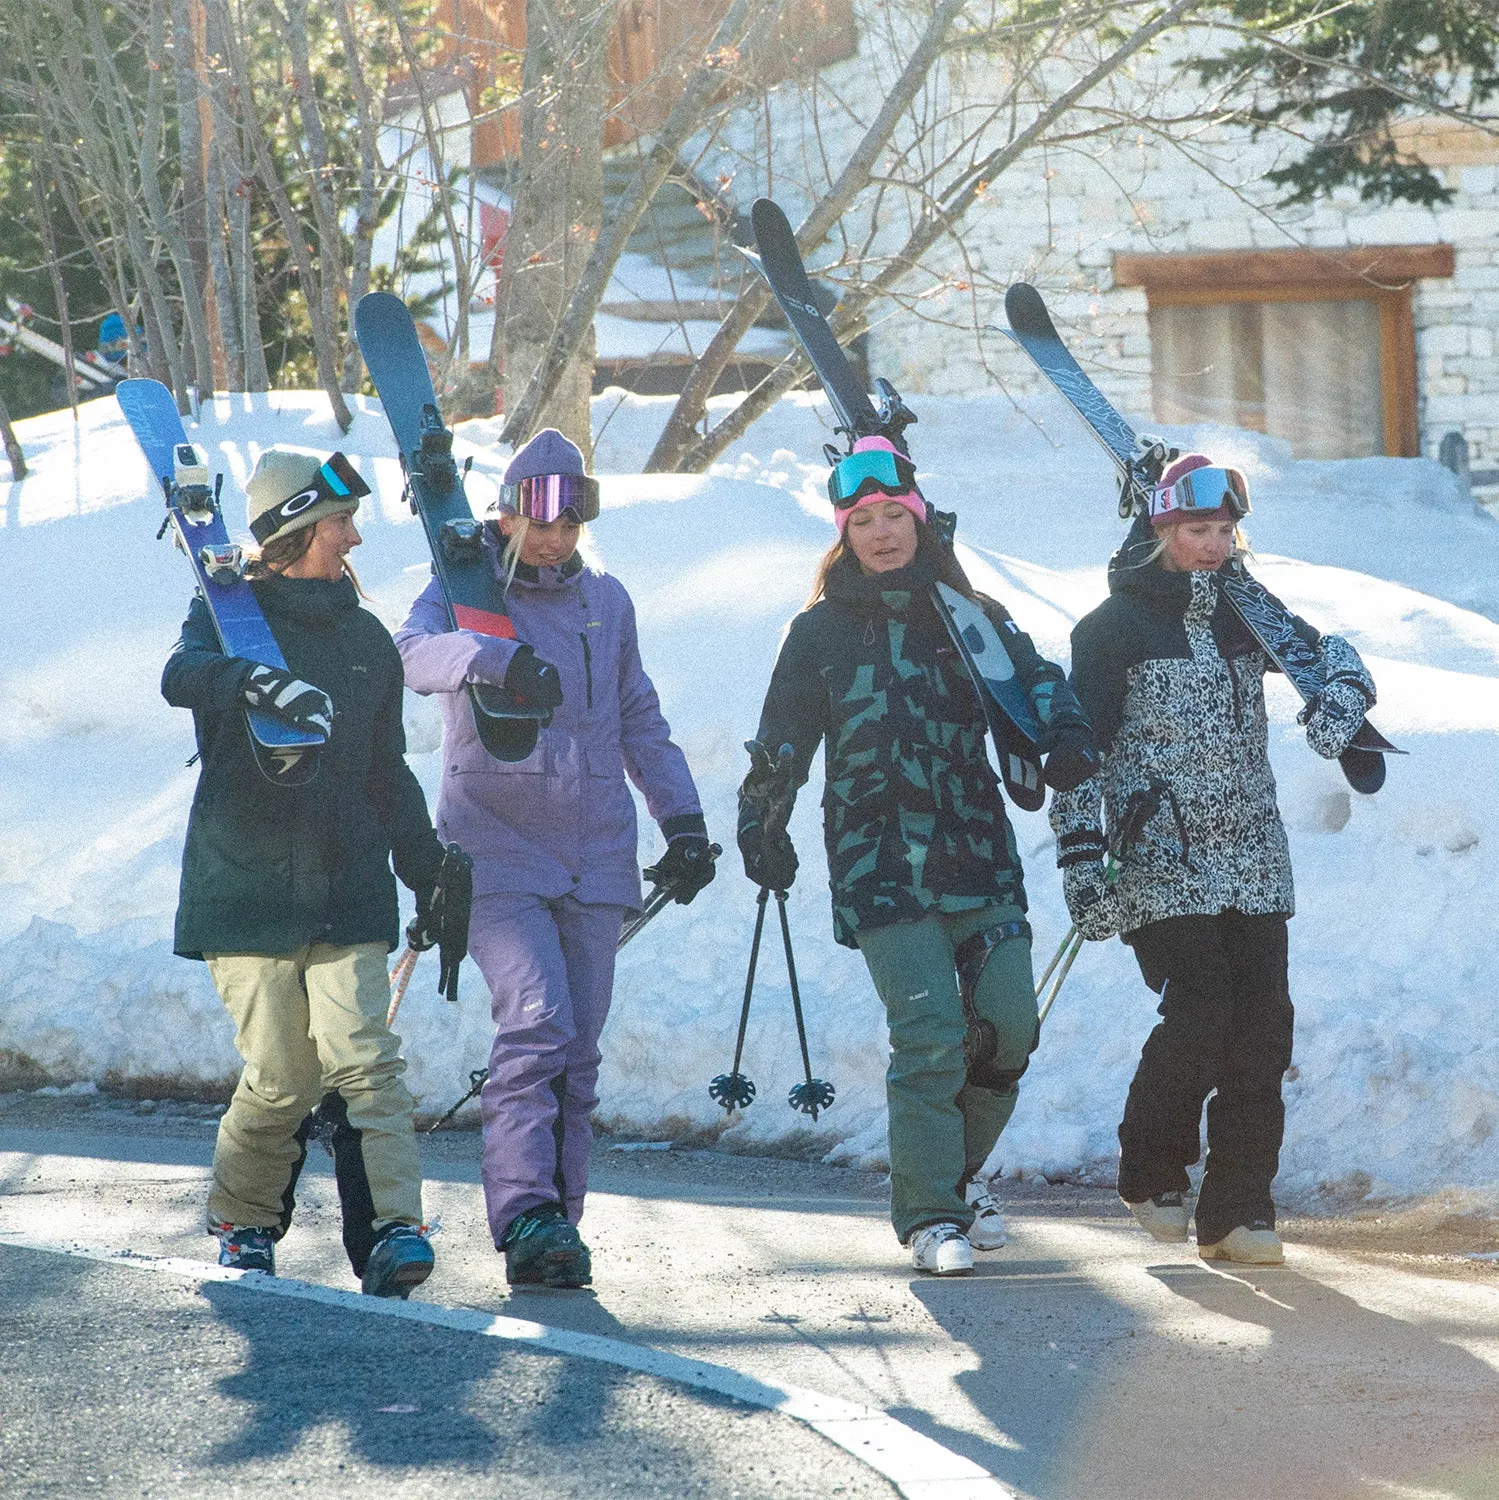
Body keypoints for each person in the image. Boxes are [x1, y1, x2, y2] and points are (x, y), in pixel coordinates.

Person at [738, 435, 1099, 1276]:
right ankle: (931, 1216)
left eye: (892, 514)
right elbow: (780, 740)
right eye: (860, 519)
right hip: (878, 863)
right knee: (932, 1029)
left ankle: (955, 1178)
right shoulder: (819, 631)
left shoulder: (965, 614)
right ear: (844, 534)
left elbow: (1035, 680)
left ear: (918, 518)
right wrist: (765, 824)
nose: (879, 531)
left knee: (1010, 1028)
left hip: (976, 851)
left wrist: (1068, 733)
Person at [394, 427, 715, 1289]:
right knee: (535, 1020)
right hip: (494, 846)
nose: (552, 537)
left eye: (569, 521)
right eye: (537, 519)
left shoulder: (607, 601)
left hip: (597, 851)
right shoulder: (464, 591)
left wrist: (682, 821)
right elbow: (408, 654)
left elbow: (639, 718)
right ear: (504, 515)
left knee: (578, 1047)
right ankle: (525, 1210)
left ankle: (556, 1230)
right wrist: (490, 660)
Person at [1050, 453, 1375, 1265]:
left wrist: (1341, 702)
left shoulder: (1246, 616)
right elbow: (1071, 752)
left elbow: (1331, 654)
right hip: (1158, 858)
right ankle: (1150, 1171)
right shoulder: (1112, 628)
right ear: (1159, 529)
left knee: (1263, 1032)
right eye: (1196, 530)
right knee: (1201, 1013)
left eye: (1225, 531)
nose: (1213, 545)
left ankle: (1237, 1211)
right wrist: (1080, 862)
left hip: (1254, 854)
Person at [162, 446, 454, 1298]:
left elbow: (386, 769)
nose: (354, 539)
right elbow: (180, 677)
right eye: (339, 524)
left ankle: (397, 1227)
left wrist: (426, 866)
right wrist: (256, 682)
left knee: (366, 1057)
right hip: (245, 886)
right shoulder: (224, 616)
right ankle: (245, 1223)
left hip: (348, 880)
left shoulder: (367, 638)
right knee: (284, 1075)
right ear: (295, 530)